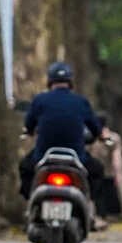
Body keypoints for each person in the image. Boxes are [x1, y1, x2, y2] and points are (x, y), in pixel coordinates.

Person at [19, 62, 105, 208]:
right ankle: (88, 204)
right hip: (77, 157)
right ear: (70, 82)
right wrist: (100, 136)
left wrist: (29, 131)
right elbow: (95, 129)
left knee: (25, 168)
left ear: (49, 81)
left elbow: (29, 125)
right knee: (97, 170)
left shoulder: (40, 100)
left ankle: (31, 204)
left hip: (43, 156)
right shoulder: (81, 102)